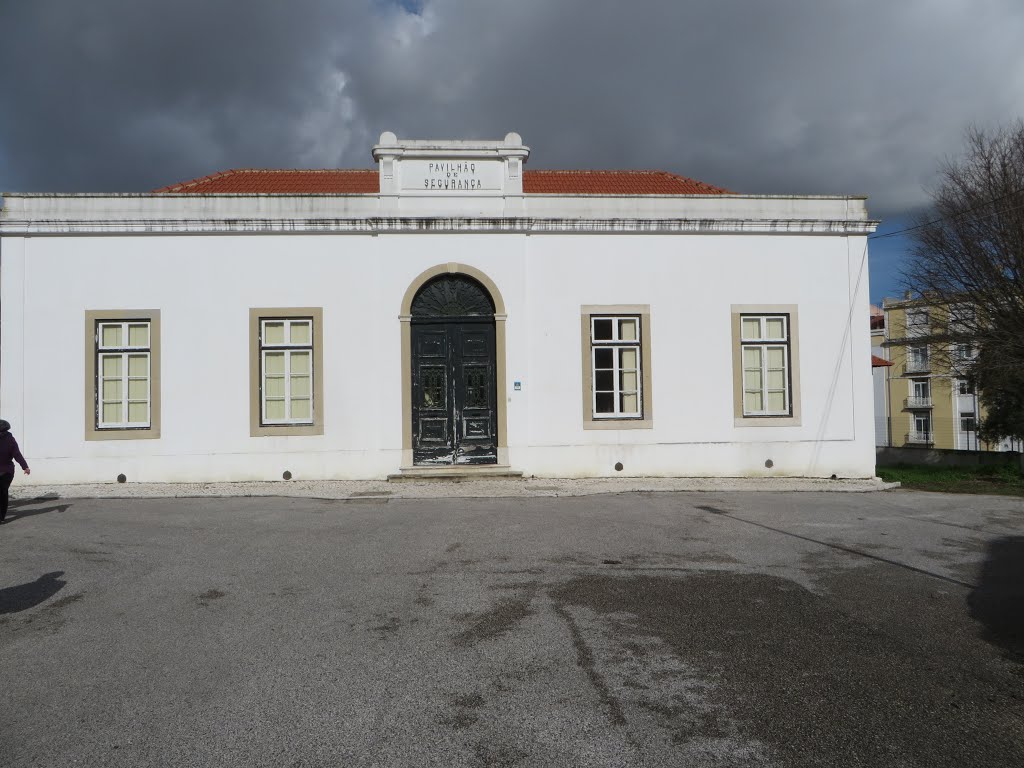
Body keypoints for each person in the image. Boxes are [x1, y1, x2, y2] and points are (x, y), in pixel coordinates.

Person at [0, 419, 30, 523]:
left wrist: (25, 466)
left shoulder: (10, 440)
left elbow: (17, 454)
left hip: (6, 472)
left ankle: (1, 518)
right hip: (7, 471)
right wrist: (25, 467)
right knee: (2, 493)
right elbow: (17, 454)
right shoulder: (10, 439)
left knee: (2, 493)